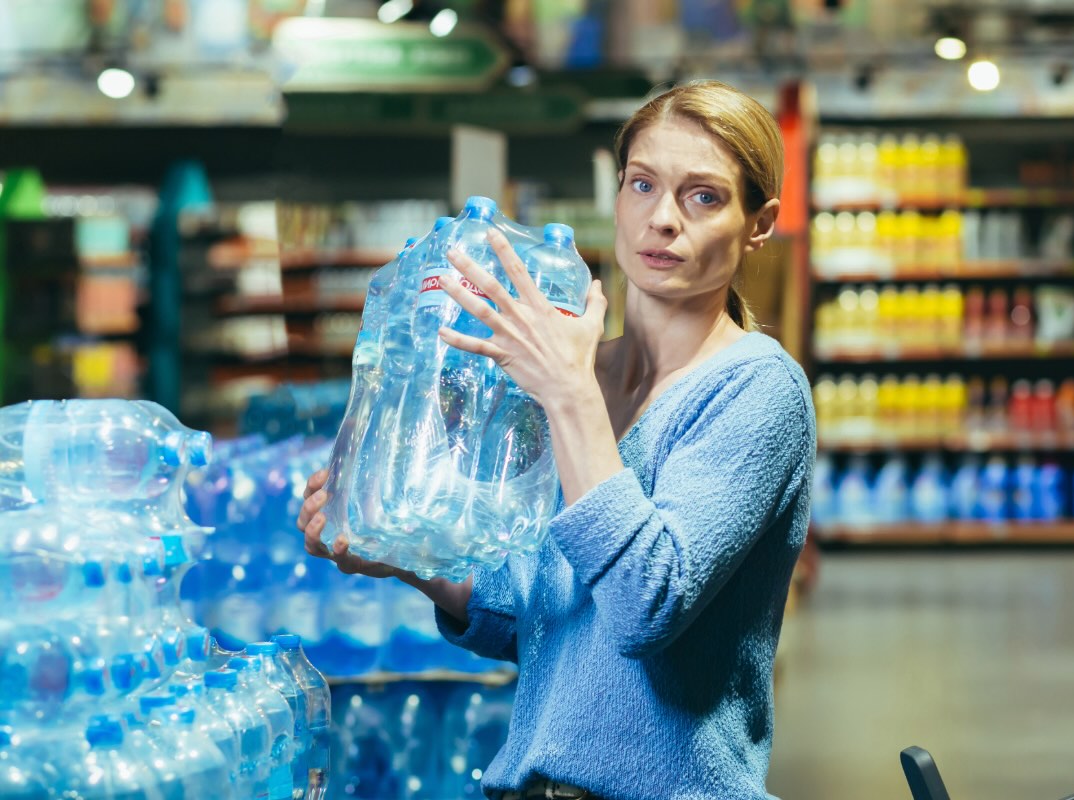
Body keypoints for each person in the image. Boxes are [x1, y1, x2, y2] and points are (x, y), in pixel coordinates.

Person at [297, 80, 815, 800]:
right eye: (643, 185)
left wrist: (566, 393)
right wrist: (401, 555)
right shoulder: (582, 371)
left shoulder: (755, 390)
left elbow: (647, 605)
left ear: (758, 223)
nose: (662, 219)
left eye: (703, 196)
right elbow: (542, 615)